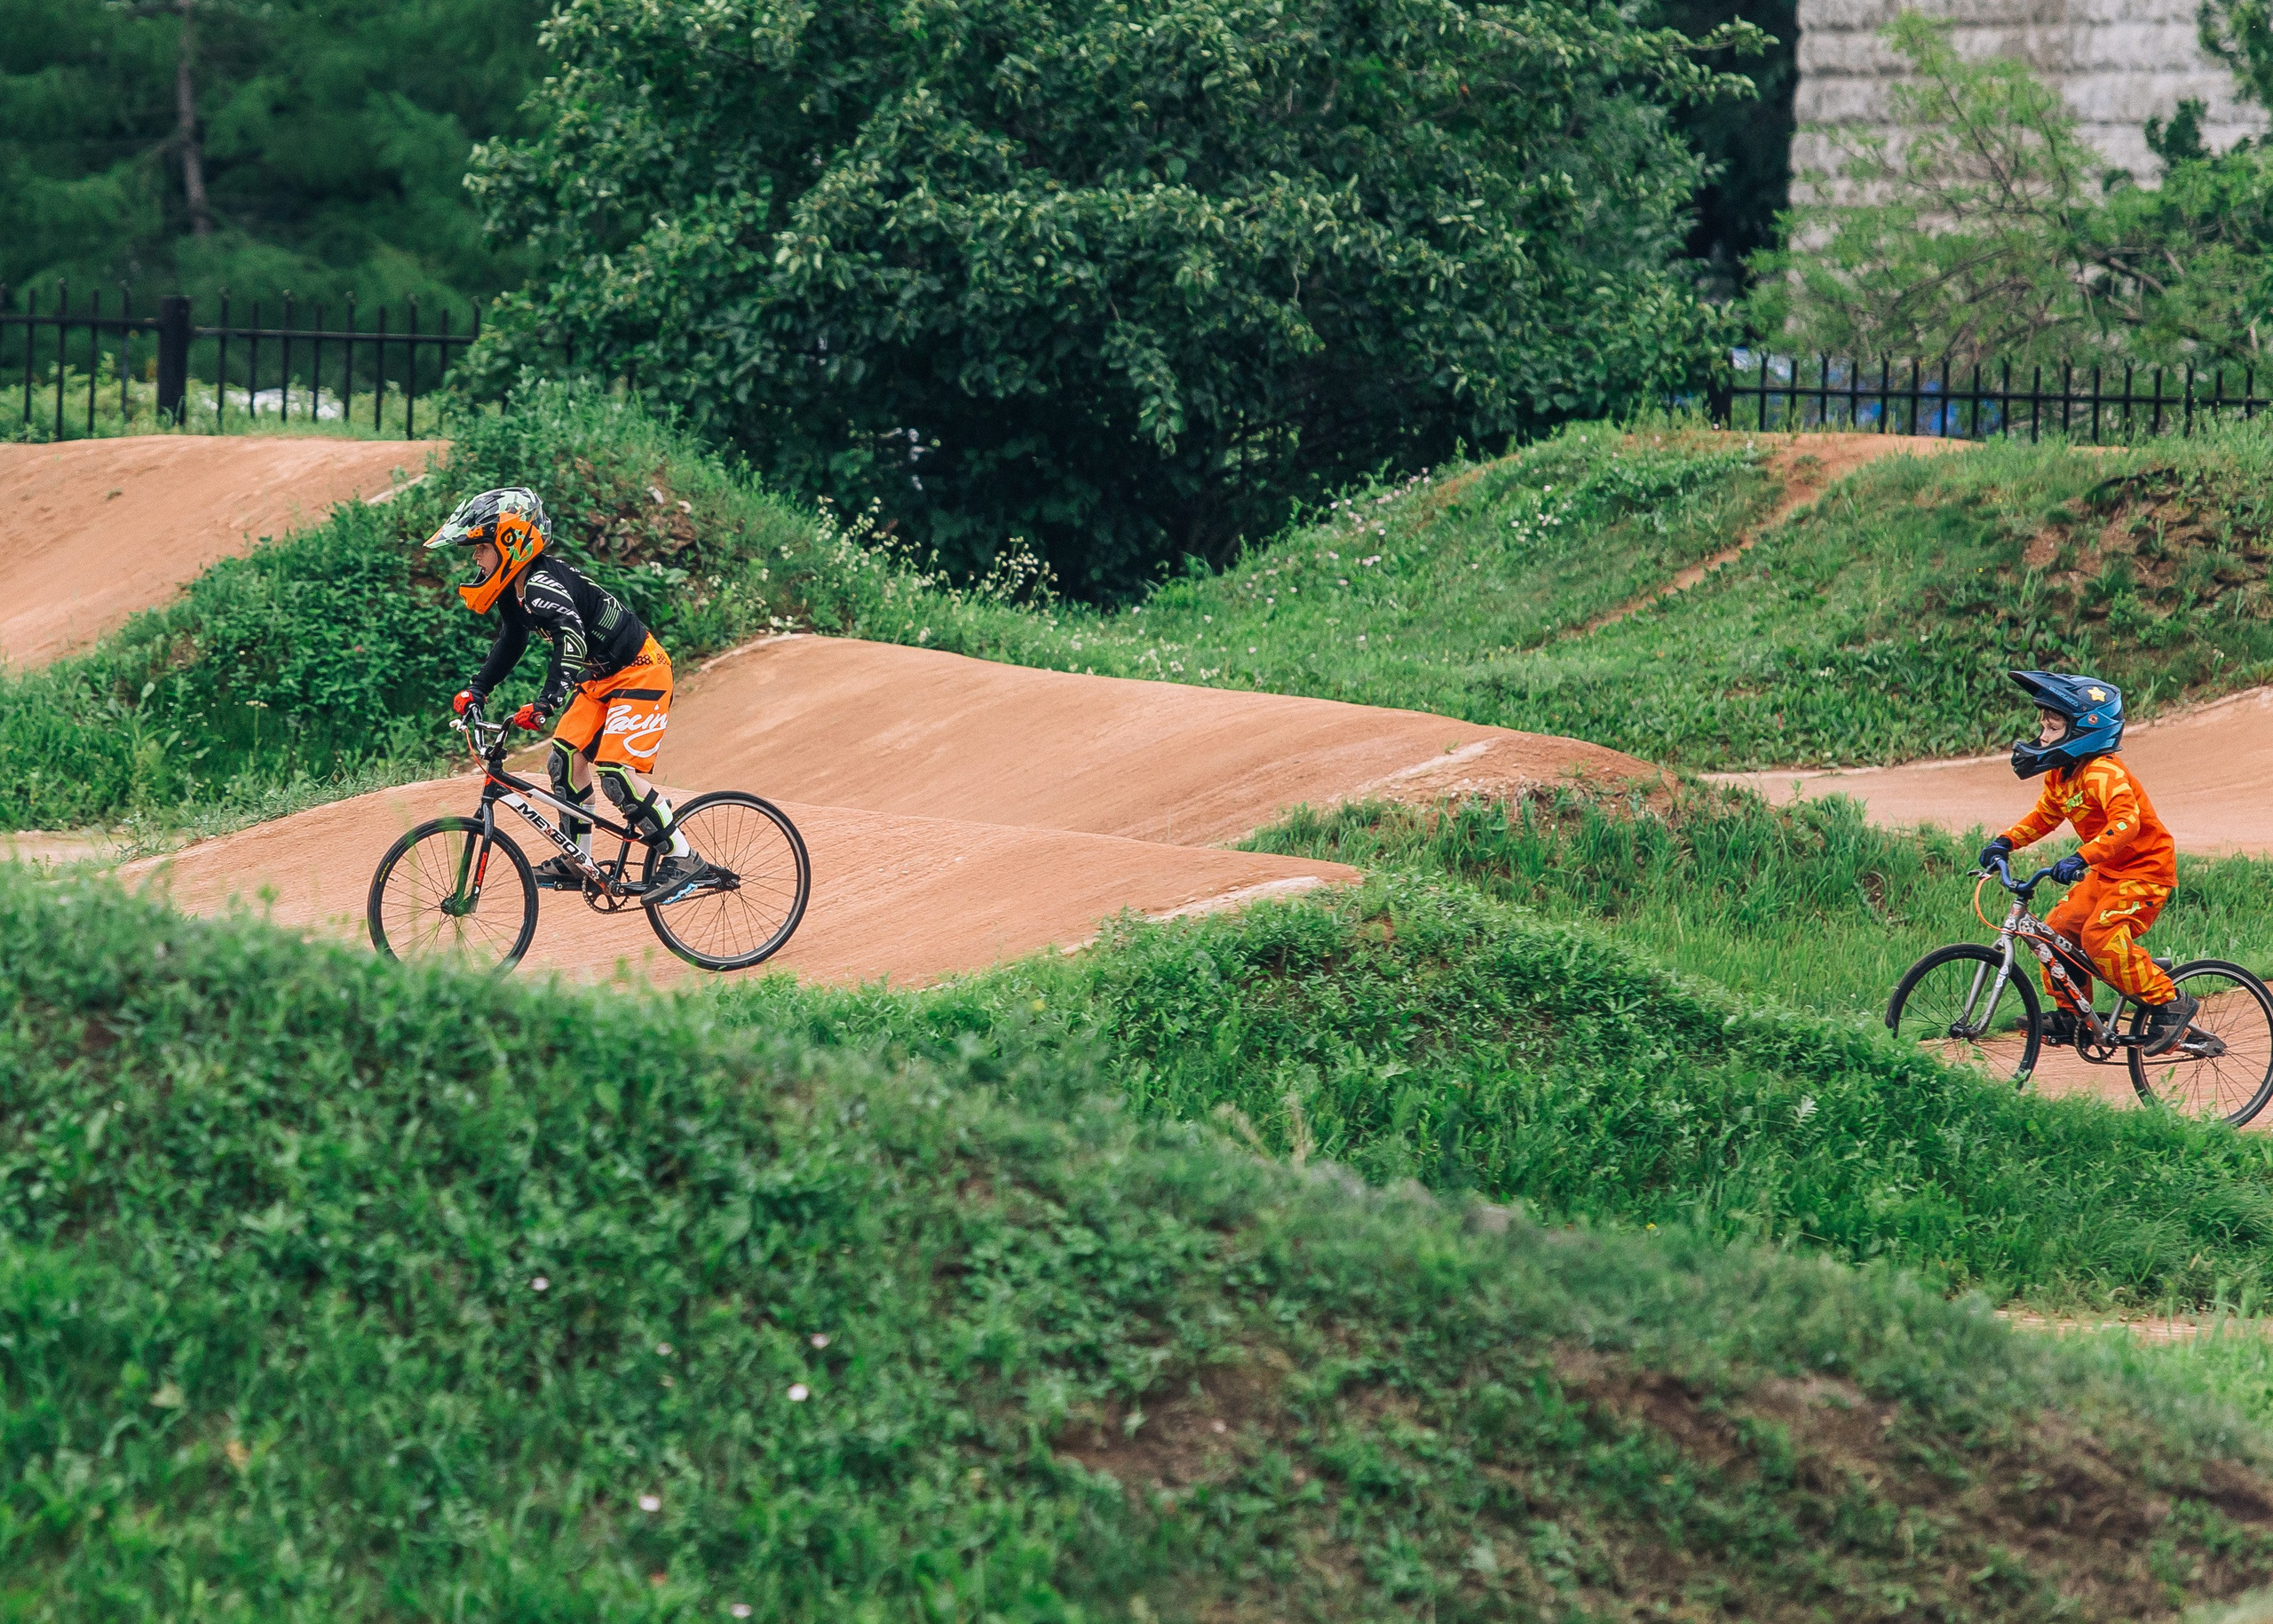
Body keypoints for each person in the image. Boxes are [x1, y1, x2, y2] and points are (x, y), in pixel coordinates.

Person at [426, 487, 708, 905]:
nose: (474, 558)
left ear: (511, 544)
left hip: (641, 670)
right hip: (597, 681)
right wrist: (477, 688)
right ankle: (582, 861)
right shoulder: (515, 589)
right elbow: (512, 640)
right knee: (564, 760)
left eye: (480, 547)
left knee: (615, 775)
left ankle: (684, 860)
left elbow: (571, 640)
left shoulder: (543, 585)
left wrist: (546, 702)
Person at [1978, 669, 2194, 1055]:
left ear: (2085, 730)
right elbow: (2044, 816)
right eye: (2042, 724)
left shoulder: (2103, 773)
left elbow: (2126, 825)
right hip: (2107, 872)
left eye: (2053, 725)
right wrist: (2005, 842)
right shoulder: (2062, 776)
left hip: (2145, 872)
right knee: (2056, 929)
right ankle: (2071, 1015)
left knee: (2100, 936)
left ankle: (2169, 1001)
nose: (2043, 735)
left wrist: (2081, 856)